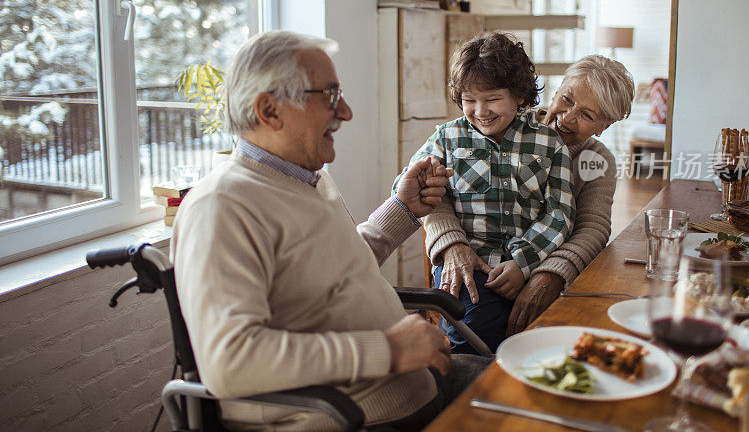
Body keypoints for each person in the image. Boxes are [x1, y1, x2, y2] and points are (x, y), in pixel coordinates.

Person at [171, 30, 490, 431]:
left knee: (552, 389)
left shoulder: (307, 178)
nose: (346, 112)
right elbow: (230, 362)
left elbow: (333, 271)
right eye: (329, 96)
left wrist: (403, 210)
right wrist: (387, 350)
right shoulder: (221, 206)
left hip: (417, 388)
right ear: (270, 110)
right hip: (358, 417)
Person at [425, 53, 635, 340]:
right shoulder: (500, 122)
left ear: (605, 126)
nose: (567, 117)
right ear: (558, 88)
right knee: (478, 330)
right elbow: (431, 190)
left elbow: (592, 229)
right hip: (478, 263)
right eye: (568, 99)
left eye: (587, 115)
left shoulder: (596, 160)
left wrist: (545, 273)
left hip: (538, 262)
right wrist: (452, 244)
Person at [394, 32, 576, 354]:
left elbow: (560, 213)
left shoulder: (549, 143)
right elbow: (406, 188)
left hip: (530, 264)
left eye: (492, 99)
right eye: (469, 99)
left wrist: (523, 263)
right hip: (470, 269)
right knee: (472, 334)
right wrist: (451, 241)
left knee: (549, 339)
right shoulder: (447, 138)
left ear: (519, 95)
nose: (480, 111)